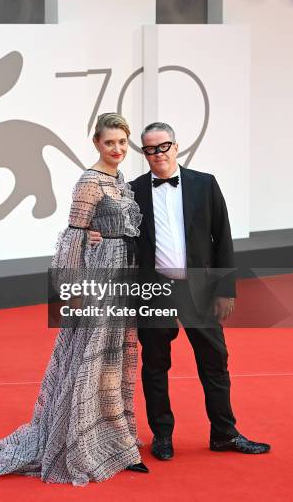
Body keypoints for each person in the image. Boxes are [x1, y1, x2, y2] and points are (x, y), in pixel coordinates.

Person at [0, 113, 148, 486]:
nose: (118, 149)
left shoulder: (119, 179)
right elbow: (73, 238)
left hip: (123, 277)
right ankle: (76, 440)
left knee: (114, 359)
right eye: (110, 143)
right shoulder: (89, 182)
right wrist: (69, 294)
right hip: (100, 279)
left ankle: (114, 437)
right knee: (88, 357)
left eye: (122, 142)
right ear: (96, 143)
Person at [90, 121, 270, 460]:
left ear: (176, 146)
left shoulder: (206, 184)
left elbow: (223, 238)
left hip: (199, 290)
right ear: (143, 153)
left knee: (214, 362)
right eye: (150, 149)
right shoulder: (133, 190)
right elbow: (119, 232)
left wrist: (225, 289)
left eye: (164, 147)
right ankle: (162, 436)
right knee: (156, 365)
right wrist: (97, 234)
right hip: (153, 290)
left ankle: (224, 434)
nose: (158, 154)